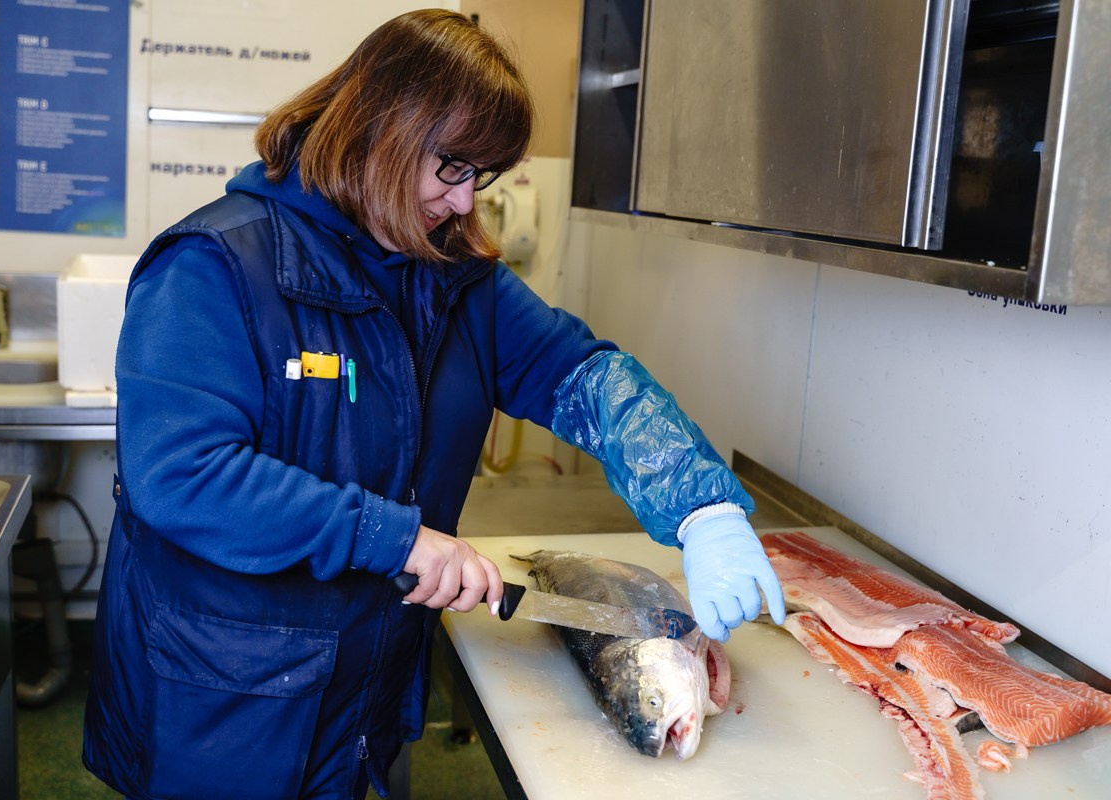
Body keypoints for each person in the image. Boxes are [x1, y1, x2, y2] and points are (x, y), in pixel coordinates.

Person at [82, 9, 784, 800]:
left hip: (366, 688)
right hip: (222, 705)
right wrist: (399, 539)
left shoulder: (454, 278)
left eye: (479, 178)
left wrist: (699, 507)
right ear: (380, 126)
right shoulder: (214, 266)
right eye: (452, 168)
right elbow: (182, 475)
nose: (461, 204)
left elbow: (583, 377)